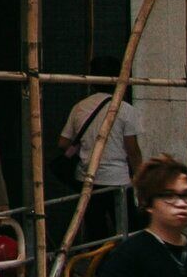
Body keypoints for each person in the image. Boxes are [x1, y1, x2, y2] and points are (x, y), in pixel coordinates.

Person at [62, 60, 149, 237]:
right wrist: (141, 180)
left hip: (87, 179)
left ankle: (98, 263)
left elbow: (63, 143)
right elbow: (132, 150)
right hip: (117, 180)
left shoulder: (80, 107)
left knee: (95, 231)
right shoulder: (125, 110)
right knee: (127, 229)